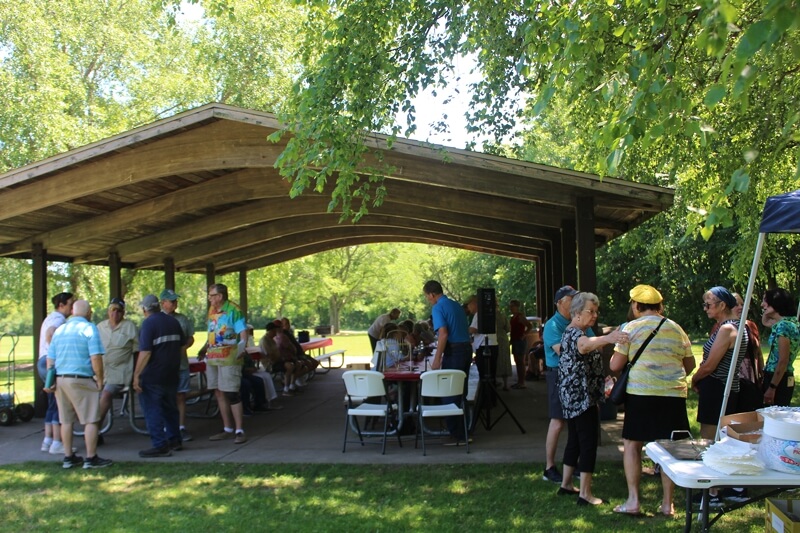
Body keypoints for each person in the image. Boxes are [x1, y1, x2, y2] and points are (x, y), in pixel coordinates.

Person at [610, 284, 694, 517]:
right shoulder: (676, 328)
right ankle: (668, 504)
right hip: (673, 395)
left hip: (640, 395)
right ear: (660, 306)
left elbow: (615, 365)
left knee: (632, 444)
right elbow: (689, 365)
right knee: (669, 447)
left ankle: (633, 501)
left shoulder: (630, 328)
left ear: (636, 306)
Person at [557, 292, 627, 506]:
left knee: (575, 440)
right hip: (581, 399)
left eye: (596, 311)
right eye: (591, 311)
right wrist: (609, 338)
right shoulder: (576, 334)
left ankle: (566, 484)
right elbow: (584, 346)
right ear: (577, 313)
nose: (595, 315)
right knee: (588, 443)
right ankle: (585, 494)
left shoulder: (576, 332)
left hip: (575, 397)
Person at [45, 299, 112, 469]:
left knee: (66, 420)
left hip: (60, 379)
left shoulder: (60, 330)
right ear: (88, 312)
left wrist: (50, 381)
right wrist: (100, 379)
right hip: (81, 378)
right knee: (91, 419)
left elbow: (50, 359)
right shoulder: (89, 328)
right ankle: (91, 458)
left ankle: (68, 457)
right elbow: (95, 357)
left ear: (73, 312)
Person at [542, 285, 594, 483]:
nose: (575, 302)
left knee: (577, 421)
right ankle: (549, 467)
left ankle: (574, 465)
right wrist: (586, 346)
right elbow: (565, 352)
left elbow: (592, 344)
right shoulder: (552, 325)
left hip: (580, 375)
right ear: (560, 303)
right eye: (571, 299)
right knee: (557, 421)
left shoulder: (581, 320)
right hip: (558, 375)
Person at [691, 287, 748, 439]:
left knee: (709, 438)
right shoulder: (737, 326)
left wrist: (694, 379)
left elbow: (709, 366)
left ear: (722, 305)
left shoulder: (727, 329)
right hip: (725, 387)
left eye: (708, 305)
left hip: (717, 388)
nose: (705, 309)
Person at [133, 295, 185, 457]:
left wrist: (136, 374)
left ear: (144, 310)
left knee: (152, 409)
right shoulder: (173, 321)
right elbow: (181, 344)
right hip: (172, 373)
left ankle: (160, 445)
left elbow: (146, 352)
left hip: (153, 374)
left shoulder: (148, 324)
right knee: (170, 408)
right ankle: (175, 439)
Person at [423, 280, 472, 445]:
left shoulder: (438, 308)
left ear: (432, 294)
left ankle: (457, 435)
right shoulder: (456, 305)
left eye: (427, 296)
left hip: (454, 351)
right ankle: (465, 431)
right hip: (466, 349)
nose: (428, 299)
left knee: (449, 393)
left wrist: (437, 358)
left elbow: (443, 333)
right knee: (461, 393)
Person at [200, 283, 249, 444]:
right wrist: (204, 348)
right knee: (218, 391)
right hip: (213, 356)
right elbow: (212, 331)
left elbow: (243, 331)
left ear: (220, 296)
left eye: (212, 295)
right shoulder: (212, 310)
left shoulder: (234, 310)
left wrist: (242, 346)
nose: (209, 298)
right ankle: (227, 428)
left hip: (229, 357)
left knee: (232, 392)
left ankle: (239, 430)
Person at [97, 297, 139, 444]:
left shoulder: (130, 327)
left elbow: (138, 351)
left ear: (123, 312)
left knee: (106, 393)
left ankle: (94, 430)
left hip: (119, 373)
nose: (115, 313)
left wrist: (136, 375)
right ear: (108, 311)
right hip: (100, 372)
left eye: (119, 311)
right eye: (113, 310)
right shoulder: (100, 327)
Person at [38, 292, 73, 455]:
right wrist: (56, 353)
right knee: (59, 403)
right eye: (70, 304)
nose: (72, 308)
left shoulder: (49, 318)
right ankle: (57, 442)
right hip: (50, 362)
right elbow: (50, 334)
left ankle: (48, 440)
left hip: (42, 362)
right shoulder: (59, 320)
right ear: (61, 305)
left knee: (52, 402)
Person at [159, 289, 195, 442]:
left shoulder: (182, 319)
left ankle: (181, 427)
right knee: (165, 397)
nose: (175, 303)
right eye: (171, 301)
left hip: (181, 364)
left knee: (181, 396)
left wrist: (184, 347)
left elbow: (190, 337)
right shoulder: (156, 319)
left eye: (175, 300)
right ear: (163, 303)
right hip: (164, 367)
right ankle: (166, 427)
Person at [761, 288, 800, 406]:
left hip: (777, 378)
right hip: (785, 377)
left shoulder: (783, 326)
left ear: (775, 303)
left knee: (771, 414)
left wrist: (772, 388)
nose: (762, 304)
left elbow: (783, 360)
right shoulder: (791, 323)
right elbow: (765, 322)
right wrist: (766, 311)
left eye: (765, 301)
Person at [732, 292, 764, 411]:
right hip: (734, 379)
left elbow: (758, 352)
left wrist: (761, 372)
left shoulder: (751, 325)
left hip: (752, 377)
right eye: (736, 304)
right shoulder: (722, 327)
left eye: (742, 304)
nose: (741, 307)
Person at [467, 295, 498, 383]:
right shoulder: (482, 314)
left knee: (485, 373)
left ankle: (486, 390)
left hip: (485, 345)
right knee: (490, 373)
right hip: (489, 345)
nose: (468, 307)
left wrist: (462, 328)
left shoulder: (479, 314)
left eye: (469, 304)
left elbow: (474, 329)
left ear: (474, 304)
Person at [509, 300, 532, 389]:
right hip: (515, 340)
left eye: (512, 306)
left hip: (520, 341)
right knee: (517, 361)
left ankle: (522, 382)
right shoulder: (512, 317)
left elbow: (529, 326)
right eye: (510, 306)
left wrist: (524, 334)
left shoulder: (520, 316)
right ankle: (519, 381)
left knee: (520, 361)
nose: (511, 308)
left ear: (517, 307)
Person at [495, 302, 513, 390]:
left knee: (495, 360)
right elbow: (508, 329)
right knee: (505, 360)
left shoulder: (489, 316)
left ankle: (495, 380)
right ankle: (506, 384)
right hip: (503, 339)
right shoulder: (503, 316)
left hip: (493, 338)